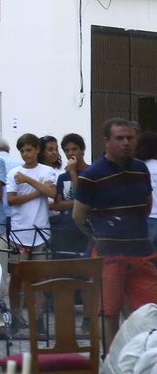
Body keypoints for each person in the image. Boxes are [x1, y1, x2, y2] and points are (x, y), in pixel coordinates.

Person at [74, 118, 157, 336]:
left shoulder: (141, 169)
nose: (126, 143)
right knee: (109, 312)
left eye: (130, 138)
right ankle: (111, 360)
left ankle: (139, 359)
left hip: (141, 253)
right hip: (109, 254)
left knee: (148, 311)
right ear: (106, 141)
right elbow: (79, 216)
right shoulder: (92, 175)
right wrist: (101, 236)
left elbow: (146, 206)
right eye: (119, 138)